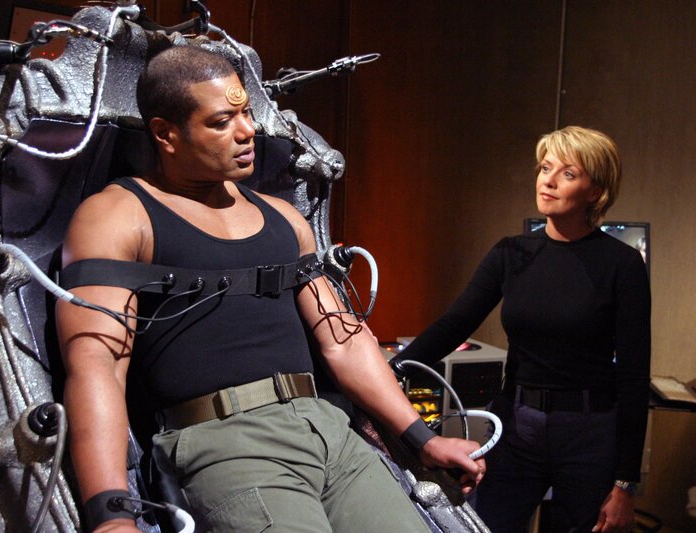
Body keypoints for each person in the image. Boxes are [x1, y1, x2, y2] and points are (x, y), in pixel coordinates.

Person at [56, 44, 486, 533]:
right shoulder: (118, 215)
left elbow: (344, 342)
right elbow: (97, 367)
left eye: (245, 113)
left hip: (328, 431)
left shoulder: (284, 218)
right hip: (226, 443)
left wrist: (424, 439)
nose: (247, 131)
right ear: (165, 133)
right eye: (221, 122)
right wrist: (110, 513)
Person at [392, 126, 650, 532]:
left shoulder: (623, 264)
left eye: (568, 173)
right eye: (545, 168)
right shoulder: (510, 253)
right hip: (517, 424)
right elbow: (453, 326)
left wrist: (625, 484)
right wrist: (389, 371)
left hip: (589, 433)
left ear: (596, 192)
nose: (548, 180)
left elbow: (634, 375)